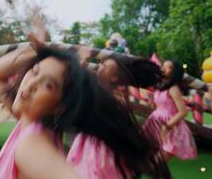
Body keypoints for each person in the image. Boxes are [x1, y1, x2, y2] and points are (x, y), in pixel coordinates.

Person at [0, 29, 170, 179]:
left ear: (61, 105)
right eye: (34, 71)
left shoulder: (31, 144)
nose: (31, 85)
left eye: (48, 85)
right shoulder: (28, 117)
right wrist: (40, 49)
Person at [68, 50, 163, 179]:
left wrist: (84, 60)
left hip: (99, 153)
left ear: (114, 77)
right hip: (89, 146)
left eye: (105, 66)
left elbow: (77, 85)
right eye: (101, 64)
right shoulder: (105, 92)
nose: (99, 67)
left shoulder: (112, 97)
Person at [144, 60, 197, 161]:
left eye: (168, 67)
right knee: (156, 160)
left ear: (174, 73)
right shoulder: (159, 87)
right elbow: (159, 106)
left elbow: (183, 112)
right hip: (156, 122)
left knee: (160, 160)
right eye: (163, 66)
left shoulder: (173, 89)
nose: (163, 68)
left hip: (171, 126)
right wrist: (152, 102)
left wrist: (167, 126)